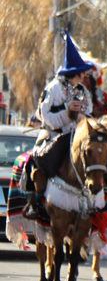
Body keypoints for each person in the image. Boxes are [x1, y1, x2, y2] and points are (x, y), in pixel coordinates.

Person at [23, 30, 94, 219]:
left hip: (76, 135)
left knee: (100, 156)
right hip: (53, 135)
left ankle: (106, 200)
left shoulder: (83, 91)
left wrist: (81, 118)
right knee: (37, 159)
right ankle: (35, 202)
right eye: (82, 72)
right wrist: (66, 109)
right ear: (75, 73)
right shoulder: (53, 88)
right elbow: (45, 116)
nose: (85, 75)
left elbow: (88, 113)